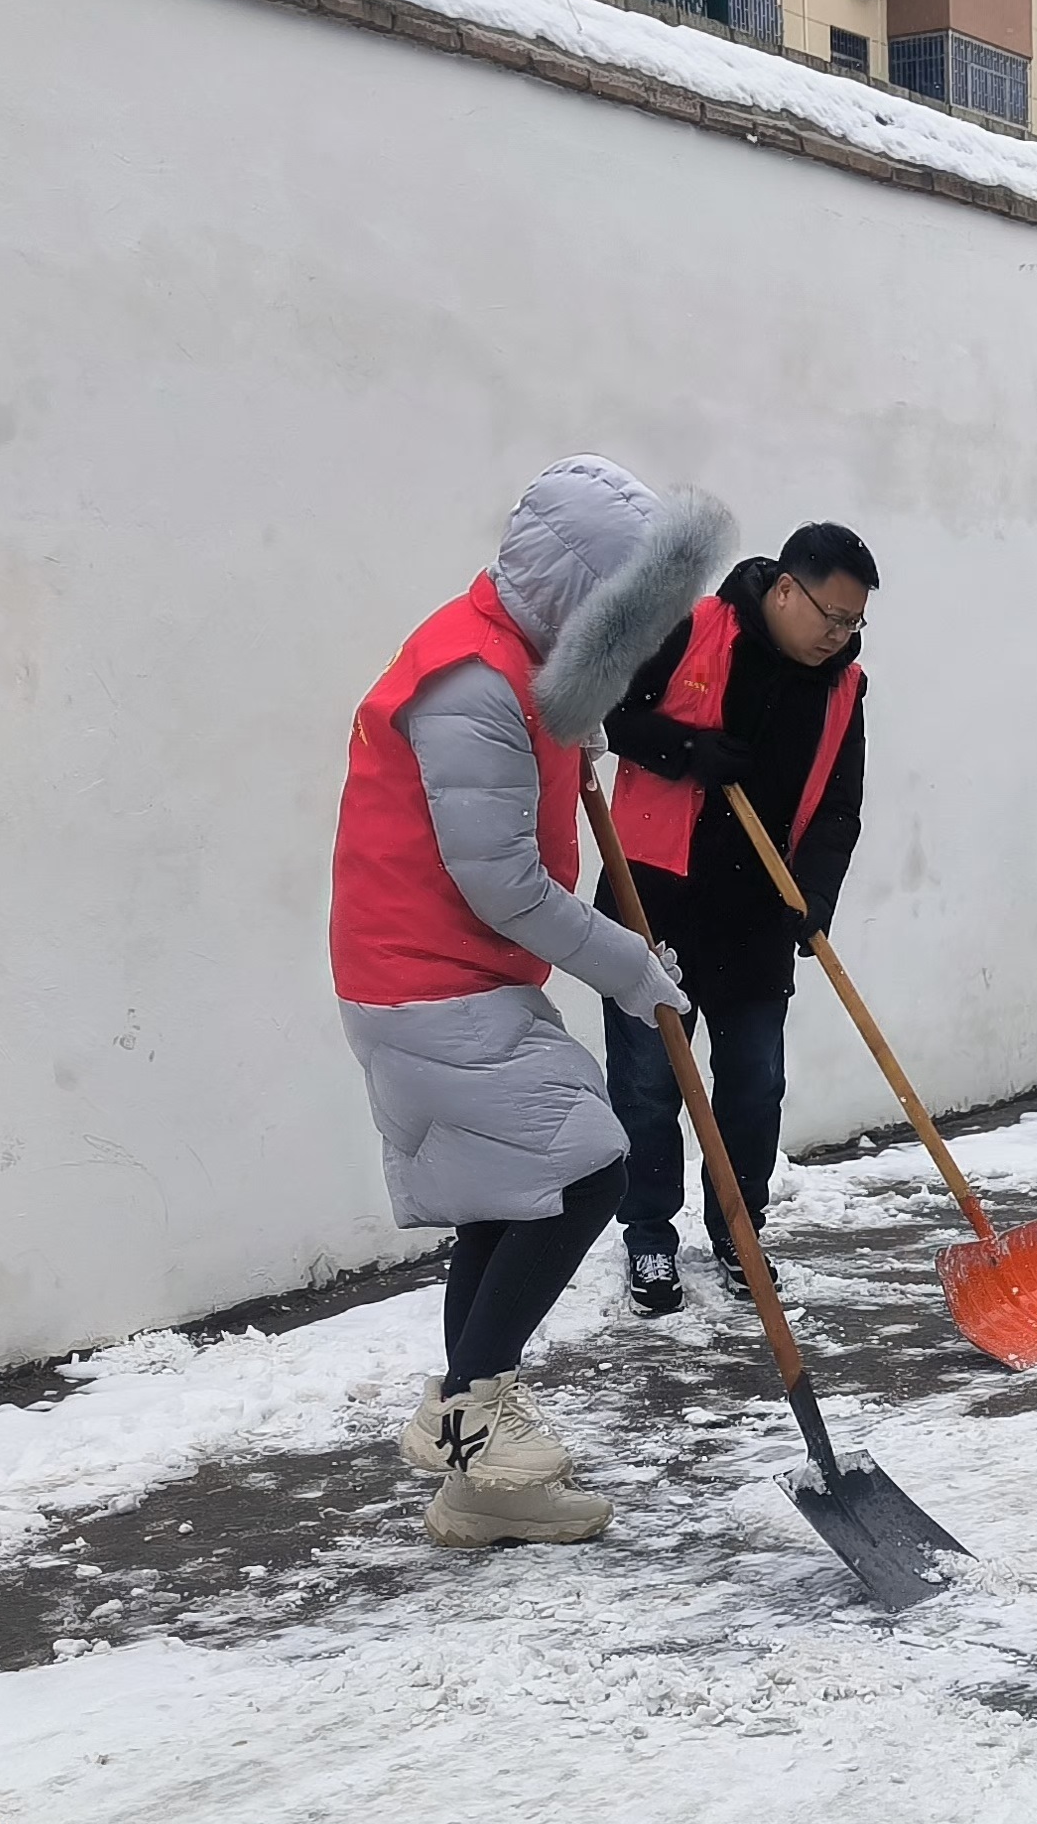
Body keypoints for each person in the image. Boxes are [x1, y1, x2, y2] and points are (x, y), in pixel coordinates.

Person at [333, 455, 723, 1549]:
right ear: (579, 592)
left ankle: (475, 1492)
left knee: (510, 1201)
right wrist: (632, 969)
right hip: (425, 976)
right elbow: (500, 883)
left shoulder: (516, 664)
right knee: (590, 1164)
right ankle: (464, 1414)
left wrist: (573, 732)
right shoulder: (473, 686)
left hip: (442, 973)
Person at [595, 523, 877, 1315]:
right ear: (785, 587)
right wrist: (686, 752)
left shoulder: (843, 689)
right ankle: (649, 1236)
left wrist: (814, 896)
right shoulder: (688, 629)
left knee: (755, 1089)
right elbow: (601, 714)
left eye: (853, 622)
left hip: (757, 917)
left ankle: (738, 1232)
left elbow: (838, 811)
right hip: (653, 902)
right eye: (830, 614)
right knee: (648, 1087)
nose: (838, 634)